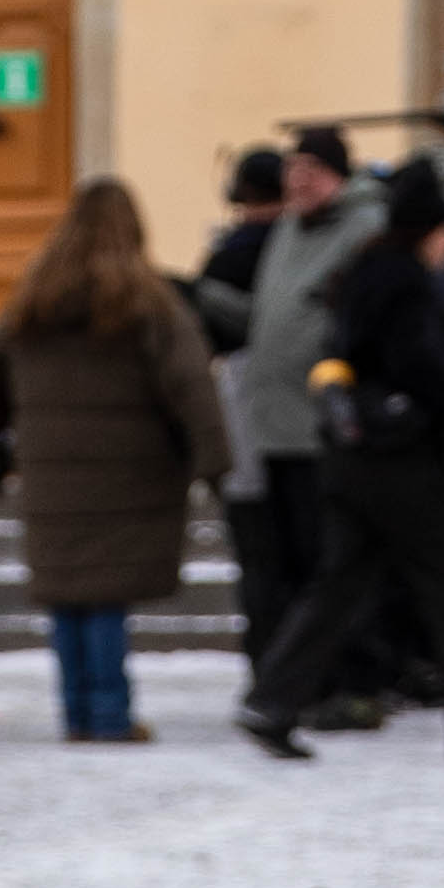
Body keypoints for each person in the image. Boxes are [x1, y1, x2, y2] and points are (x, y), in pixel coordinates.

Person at [241, 153, 444, 760]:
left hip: (353, 454)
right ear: (432, 231)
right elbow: (418, 364)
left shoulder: (364, 272)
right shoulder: (404, 282)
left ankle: (273, 701)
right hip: (400, 459)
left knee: (338, 586)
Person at [0, 176, 228, 743]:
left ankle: (76, 710)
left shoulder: (30, 300)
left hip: (51, 473)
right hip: (130, 473)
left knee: (67, 593)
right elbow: (190, 384)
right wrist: (213, 459)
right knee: (106, 594)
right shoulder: (147, 301)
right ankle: (109, 713)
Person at [239, 123, 399, 723]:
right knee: (291, 563)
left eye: (312, 170)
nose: (299, 182)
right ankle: (306, 684)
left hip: (326, 428)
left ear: (339, 175)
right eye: (293, 171)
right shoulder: (288, 227)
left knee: (332, 566)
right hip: (276, 426)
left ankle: (354, 684)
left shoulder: (364, 227)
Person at [186, 144, 297, 681]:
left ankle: (268, 665)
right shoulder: (300, 246)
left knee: (257, 554)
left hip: (245, 417)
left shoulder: (232, 254)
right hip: (297, 426)